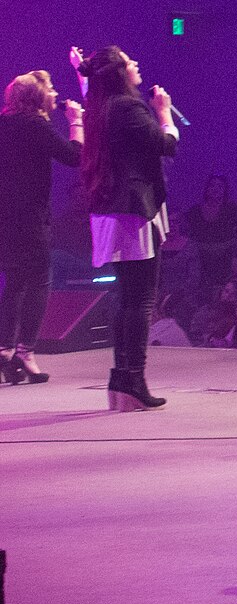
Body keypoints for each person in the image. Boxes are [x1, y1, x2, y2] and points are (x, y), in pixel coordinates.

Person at [79, 47, 176, 410]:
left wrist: (81, 70)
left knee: (127, 297)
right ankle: (133, 378)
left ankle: (121, 380)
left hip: (110, 206)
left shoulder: (99, 106)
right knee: (141, 299)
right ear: (119, 72)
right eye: (129, 60)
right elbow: (166, 145)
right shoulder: (127, 107)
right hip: (132, 208)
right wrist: (164, 112)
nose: (136, 63)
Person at [0, 72, 82, 384]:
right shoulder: (35, 125)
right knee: (38, 282)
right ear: (37, 97)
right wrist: (76, 121)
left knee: (14, 282)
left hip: (4, 218)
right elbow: (73, 156)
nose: (55, 91)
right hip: (30, 218)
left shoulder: (3, 124)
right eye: (50, 88)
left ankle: (4, 350)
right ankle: (26, 352)